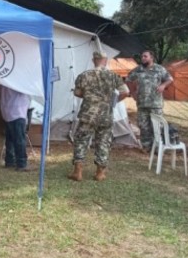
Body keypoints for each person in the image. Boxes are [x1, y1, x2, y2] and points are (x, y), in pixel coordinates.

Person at [68, 50, 129, 181]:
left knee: (81, 141)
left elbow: (77, 93)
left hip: (88, 114)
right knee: (103, 142)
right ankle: (100, 173)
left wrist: (90, 97)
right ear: (106, 60)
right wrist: (112, 102)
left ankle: (77, 172)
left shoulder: (84, 75)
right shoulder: (113, 76)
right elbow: (125, 92)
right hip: (105, 114)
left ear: (93, 60)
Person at [126, 50, 173, 153]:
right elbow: (128, 79)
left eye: (145, 56)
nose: (143, 58)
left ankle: (157, 148)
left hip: (155, 104)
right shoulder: (138, 70)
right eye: (142, 56)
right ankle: (146, 147)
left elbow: (170, 79)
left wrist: (163, 85)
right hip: (142, 103)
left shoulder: (159, 69)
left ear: (151, 58)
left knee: (157, 126)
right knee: (143, 126)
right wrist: (133, 93)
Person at [0, 86, 31, 171]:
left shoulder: (4, 77)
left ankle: (10, 161)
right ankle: (21, 163)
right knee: (19, 139)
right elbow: (25, 88)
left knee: (10, 139)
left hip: (7, 109)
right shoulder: (18, 79)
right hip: (18, 110)